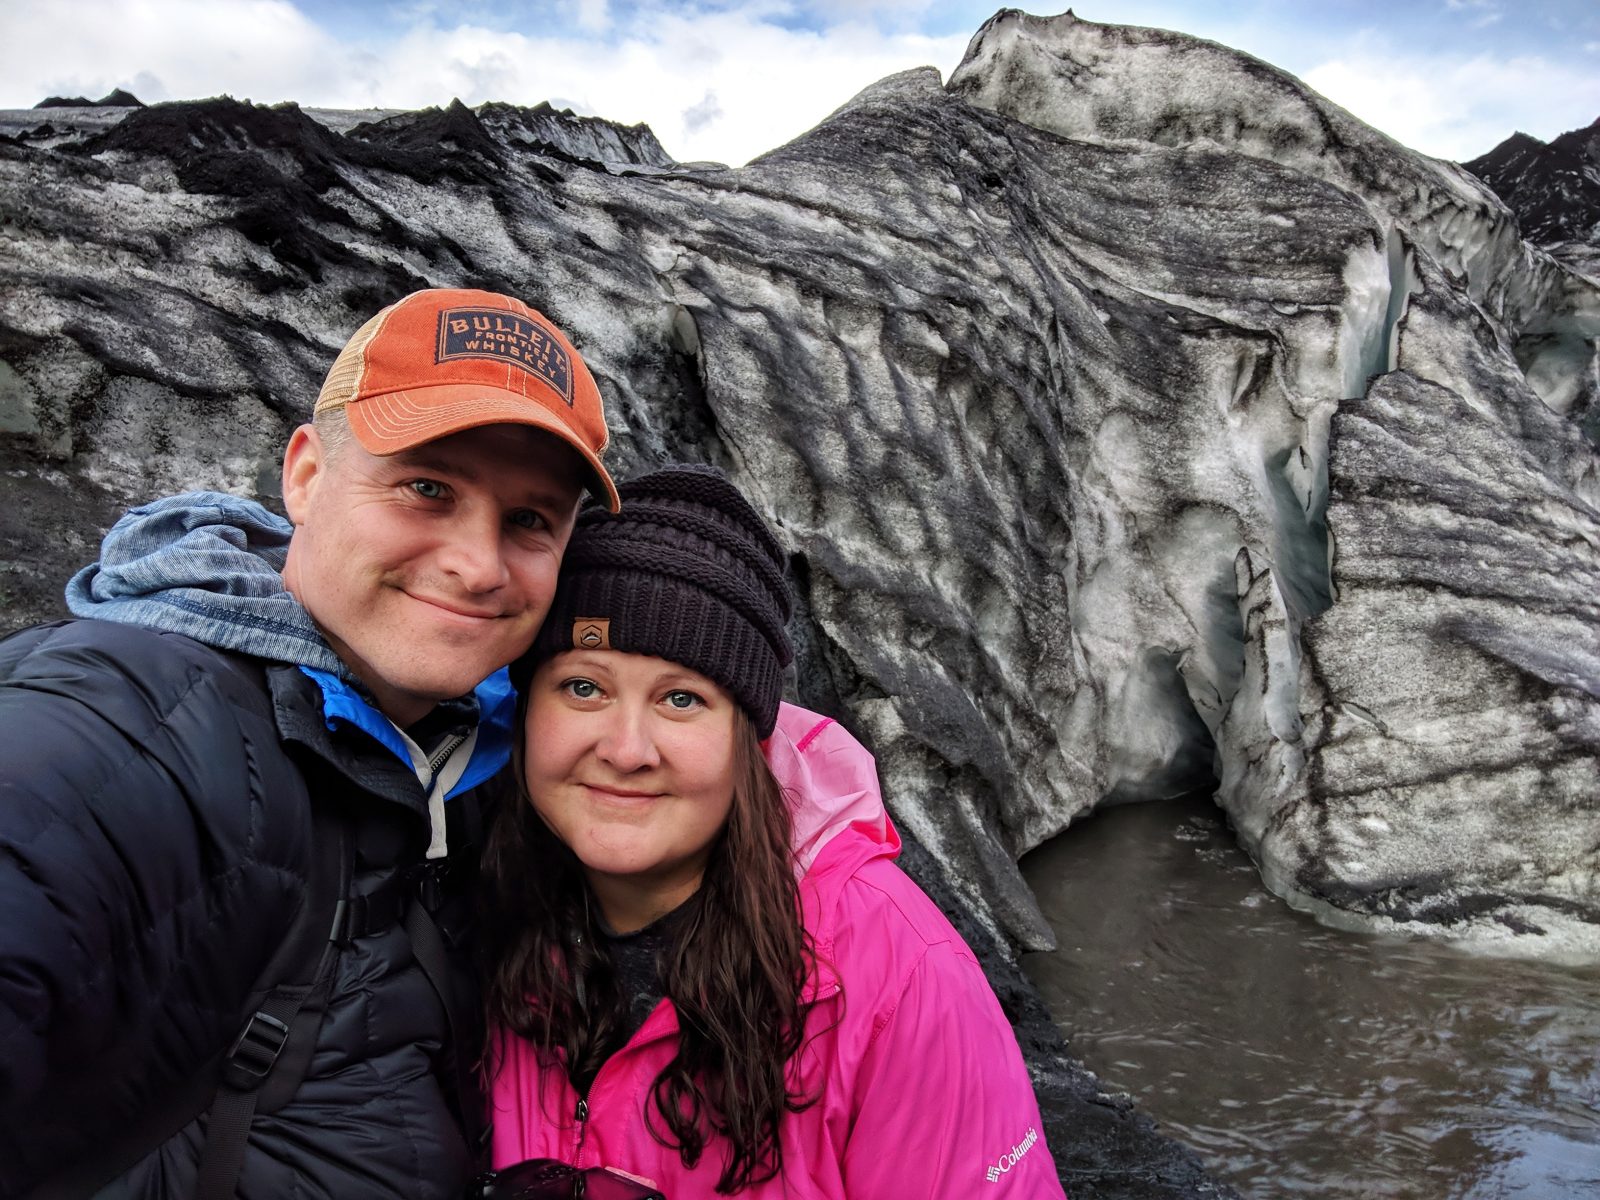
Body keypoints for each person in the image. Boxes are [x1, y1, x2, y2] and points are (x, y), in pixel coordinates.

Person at [0, 286, 622, 1198]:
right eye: (427, 487)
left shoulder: (489, 747)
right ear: (304, 474)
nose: (479, 564)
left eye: (530, 521)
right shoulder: (133, 723)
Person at [482, 464, 1068, 1198]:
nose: (626, 748)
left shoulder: (895, 980)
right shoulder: (485, 901)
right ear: (525, 709)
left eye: (682, 699)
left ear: (750, 742)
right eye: (583, 687)